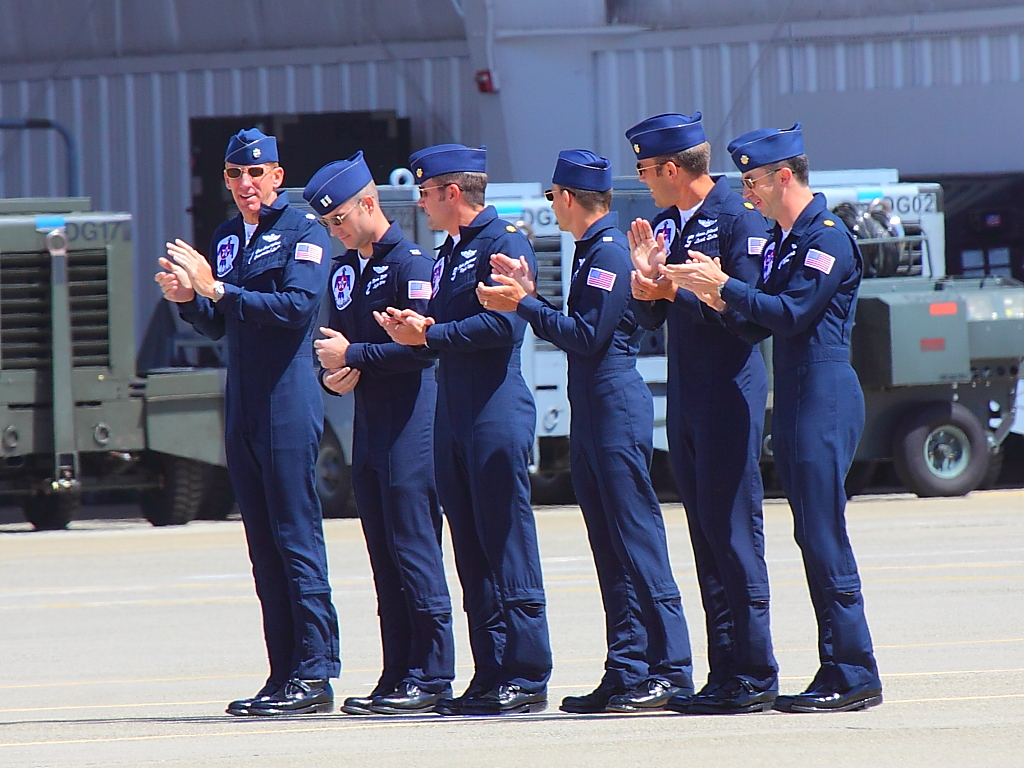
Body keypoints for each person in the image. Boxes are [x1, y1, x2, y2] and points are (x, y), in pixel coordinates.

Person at [661, 123, 883, 713]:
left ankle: (853, 670)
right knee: (809, 531)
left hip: (824, 393)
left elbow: (790, 313)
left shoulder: (825, 237)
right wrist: (701, 293)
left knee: (822, 532)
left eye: (753, 182)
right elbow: (754, 323)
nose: (747, 193)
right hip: (797, 394)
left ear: (784, 177)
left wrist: (725, 285)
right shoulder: (788, 240)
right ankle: (837, 666)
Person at [477, 150, 694, 714]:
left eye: (553, 197)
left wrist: (525, 303)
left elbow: (587, 336)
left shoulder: (607, 253)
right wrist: (531, 296)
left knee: (637, 539)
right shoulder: (591, 252)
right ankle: (627, 667)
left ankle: (671, 668)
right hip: (595, 407)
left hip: (614, 404)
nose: (553, 206)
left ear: (569, 198)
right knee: (609, 545)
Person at [155, 128, 339, 716]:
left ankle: (315, 673)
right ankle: (282, 673)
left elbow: (296, 308)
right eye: (235, 174)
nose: (245, 184)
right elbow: (219, 322)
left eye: (256, 173)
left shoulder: (304, 230)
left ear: (278, 176)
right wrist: (190, 299)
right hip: (244, 401)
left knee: (295, 537)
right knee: (262, 544)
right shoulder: (228, 236)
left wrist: (217, 288)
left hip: (287, 399)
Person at [376, 143, 552, 715]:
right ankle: (490, 670)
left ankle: (526, 673)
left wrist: (429, 335)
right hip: (453, 411)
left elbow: (504, 326)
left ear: (453, 192)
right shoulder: (449, 251)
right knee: (471, 550)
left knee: (507, 542)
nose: (420, 203)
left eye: (426, 192)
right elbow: (451, 327)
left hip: (493, 409)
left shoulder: (504, 243)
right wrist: (418, 327)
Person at [623, 112, 780, 714]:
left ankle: (755, 671)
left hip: (728, 391)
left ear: (671, 168)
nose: (642, 179)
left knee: (735, 535)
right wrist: (648, 287)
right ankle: (724, 670)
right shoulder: (668, 224)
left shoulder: (737, 219)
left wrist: (679, 291)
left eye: (644, 168)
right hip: (687, 393)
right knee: (706, 537)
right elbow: (655, 317)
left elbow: (746, 312)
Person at [302, 152, 455, 715]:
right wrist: (332, 374)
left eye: (339, 218)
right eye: (327, 224)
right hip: (369, 423)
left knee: (414, 548)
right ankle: (397, 670)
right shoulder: (345, 270)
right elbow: (334, 345)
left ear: (369, 203)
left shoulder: (411, 265)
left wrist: (356, 356)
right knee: (383, 555)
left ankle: (431, 673)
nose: (335, 231)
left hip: (410, 423)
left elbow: (420, 351)